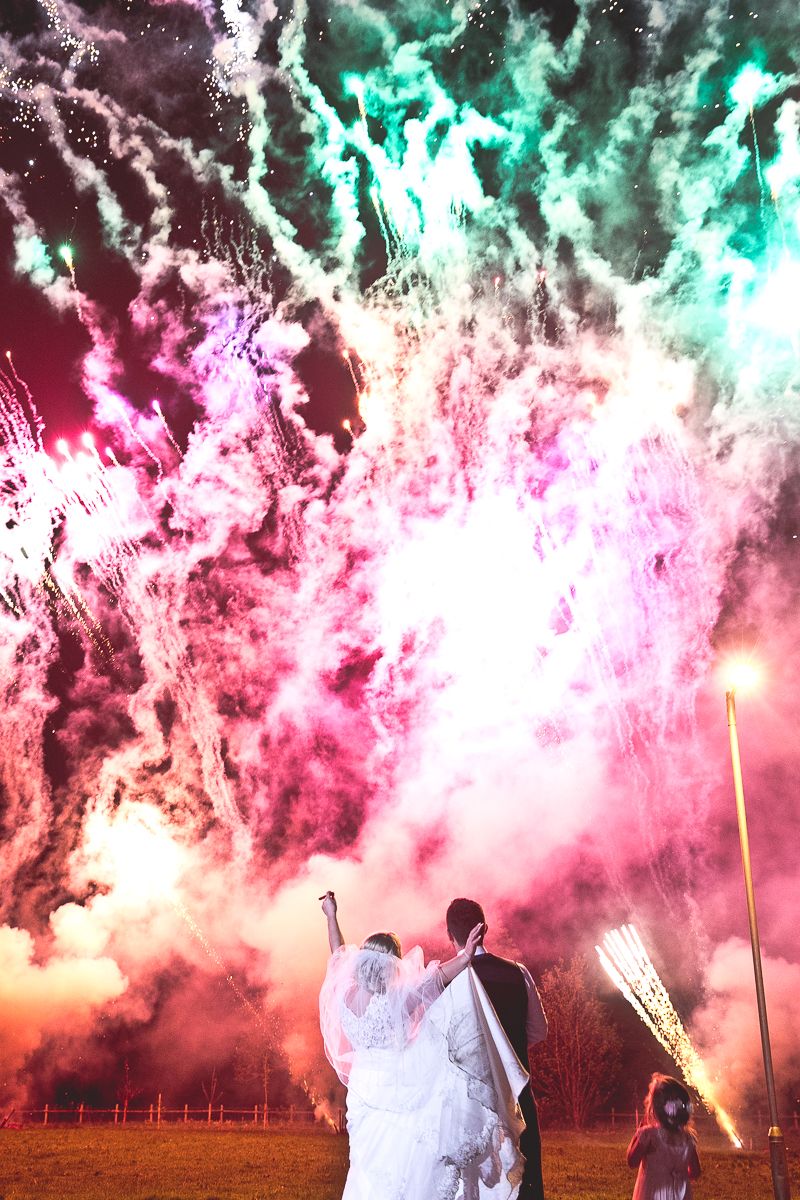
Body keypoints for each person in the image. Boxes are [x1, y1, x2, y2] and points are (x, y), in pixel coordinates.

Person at [319, 890, 529, 1200]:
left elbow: (337, 955)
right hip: (400, 1086)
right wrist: (465, 956)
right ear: (392, 965)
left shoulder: (345, 995)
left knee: (366, 1166)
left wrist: (331, 915)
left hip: (363, 1090)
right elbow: (437, 978)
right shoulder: (397, 1000)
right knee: (404, 1162)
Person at [445, 898, 548, 1200]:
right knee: (523, 1182)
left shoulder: (447, 979)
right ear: (485, 929)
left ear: (449, 934)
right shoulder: (519, 972)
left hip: (469, 1104)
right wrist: (508, 1047)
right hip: (516, 1097)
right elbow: (538, 1031)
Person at [626, 1074, 701, 1200]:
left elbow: (632, 1161)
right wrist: (677, 1176)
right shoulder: (688, 1138)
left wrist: (638, 1133)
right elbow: (695, 1172)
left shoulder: (648, 1135)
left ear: (655, 1107)